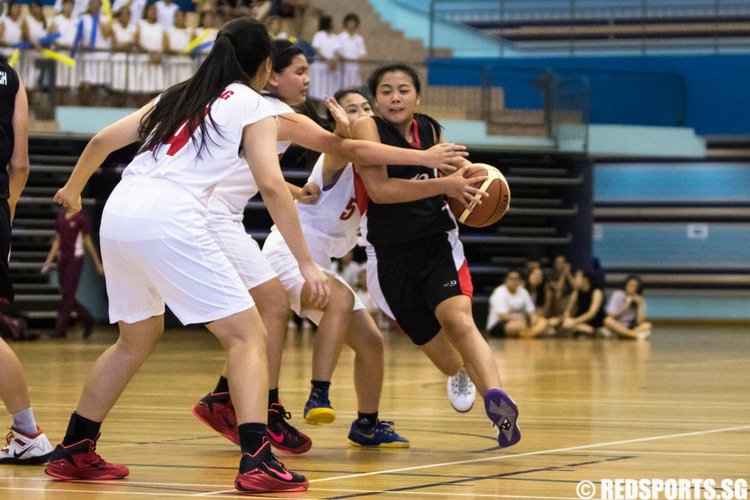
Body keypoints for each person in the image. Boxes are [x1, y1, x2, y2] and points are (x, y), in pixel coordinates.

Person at [44, 18, 326, 493]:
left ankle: (75, 447)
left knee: (135, 338)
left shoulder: (177, 94)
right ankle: (257, 461)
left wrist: (73, 189)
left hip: (119, 212)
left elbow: (100, 142)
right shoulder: (254, 103)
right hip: (171, 218)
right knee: (248, 335)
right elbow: (272, 186)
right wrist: (305, 263)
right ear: (262, 66)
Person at [191, 42, 473, 454]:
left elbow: (257, 172)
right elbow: (344, 147)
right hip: (289, 253)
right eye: (351, 109)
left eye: (365, 110)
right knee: (334, 302)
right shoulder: (340, 149)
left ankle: (366, 424)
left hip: (312, 258)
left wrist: (457, 174)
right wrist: (345, 130)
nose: (361, 116)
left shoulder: (375, 163)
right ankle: (312, 397)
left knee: (372, 343)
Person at [351, 63, 521, 448]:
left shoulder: (429, 128)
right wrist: (444, 181)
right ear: (375, 100)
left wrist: (476, 178)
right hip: (389, 255)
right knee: (443, 355)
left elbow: (458, 168)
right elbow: (380, 190)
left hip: (436, 241)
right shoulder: (367, 129)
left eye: (404, 89)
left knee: (458, 319)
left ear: (417, 96)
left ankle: (498, 408)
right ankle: (459, 372)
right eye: (387, 91)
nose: (395, 97)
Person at [0, 40, 54, 465]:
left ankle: (28, 433)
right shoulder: (12, 77)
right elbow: (20, 164)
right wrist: (8, 207)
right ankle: (26, 432)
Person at [41, 209, 104, 339]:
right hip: (62, 260)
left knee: (67, 297)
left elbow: (88, 241)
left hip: (75, 260)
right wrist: (48, 261)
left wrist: (98, 263)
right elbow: (57, 241)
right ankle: (87, 318)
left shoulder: (81, 219)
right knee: (66, 295)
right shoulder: (60, 217)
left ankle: (60, 330)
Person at [486, 270, 549, 338]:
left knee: (542, 321)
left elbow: (531, 312)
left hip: (523, 322)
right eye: (511, 279)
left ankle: (528, 335)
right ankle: (529, 335)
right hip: (498, 324)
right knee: (520, 325)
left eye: (517, 279)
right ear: (506, 280)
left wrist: (534, 320)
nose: (514, 281)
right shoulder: (499, 292)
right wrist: (519, 318)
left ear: (520, 281)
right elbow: (502, 316)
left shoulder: (523, 291)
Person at [551, 270, 606, 337]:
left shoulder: (596, 292)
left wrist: (574, 321)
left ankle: (596, 332)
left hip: (594, 323)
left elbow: (591, 314)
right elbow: (568, 311)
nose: (574, 280)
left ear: (585, 279)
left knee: (582, 328)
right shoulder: (576, 292)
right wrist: (564, 318)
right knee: (556, 322)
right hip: (580, 322)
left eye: (576, 277)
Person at [603, 275, 652, 339]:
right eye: (630, 285)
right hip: (617, 324)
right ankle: (635, 335)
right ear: (626, 285)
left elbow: (640, 322)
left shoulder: (639, 299)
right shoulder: (617, 295)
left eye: (634, 286)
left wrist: (640, 305)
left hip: (629, 326)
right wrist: (625, 306)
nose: (632, 287)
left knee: (647, 325)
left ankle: (622, 334)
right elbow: (611, 316)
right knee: (608, 321)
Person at [309, 14, 339, 103]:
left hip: (330, 69)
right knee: (317, 91)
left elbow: (336, 51)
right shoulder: (319, 35)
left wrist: (334, 61)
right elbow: (317, 50)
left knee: (329, 92)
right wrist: (327, 60)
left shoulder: (334, 37)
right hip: (319, 67)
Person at [337, 13, 365, 89]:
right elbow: (337, 51)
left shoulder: (359, 39)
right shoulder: (340, 37)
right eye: (350, 22)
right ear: (346, 23)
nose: (351, 24)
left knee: (354, 88)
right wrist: (345, 58)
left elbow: (362, 53)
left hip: (354, 68)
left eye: (353, 22)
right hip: (343, 68)